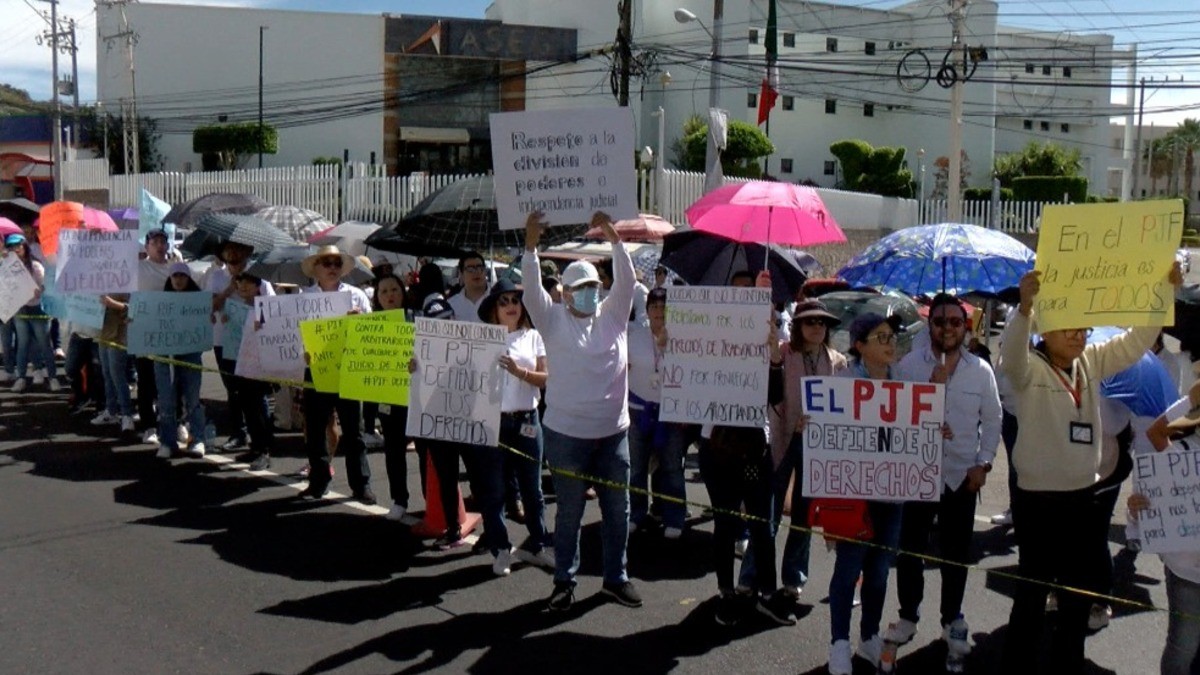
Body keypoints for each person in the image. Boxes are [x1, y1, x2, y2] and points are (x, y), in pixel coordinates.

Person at [999, 265, 1181, 674]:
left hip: (1083, 497)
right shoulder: (1027, 367)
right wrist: (1024, 307)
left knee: (1077, 599)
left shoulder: (1090, 362)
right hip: (1037, 501)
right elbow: (1011, 355)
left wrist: (1161, 295)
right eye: (1070, 329)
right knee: (1031, 596)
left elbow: (1135, 344)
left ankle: (1068, 664)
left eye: (1083, 328)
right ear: (1045, 330)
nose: (1080, 335)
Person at [521, 210, 642, 611]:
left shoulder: (613, 316)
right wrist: (531, 246)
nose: (590, 292)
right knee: (569, 513)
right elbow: (530, 291)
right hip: (566, 436)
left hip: (614, 435)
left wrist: (614, 237)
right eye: (581, 288)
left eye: (593, 285)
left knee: (617, 511)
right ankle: (564, 582)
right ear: (566, 293)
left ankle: (616, 578)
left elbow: (626, 280)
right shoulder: (551, 319)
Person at [887, 293, 1002, 663]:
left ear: (965, 327)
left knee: (956, 555)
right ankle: (908, 615)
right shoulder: (907, 367)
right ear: (930, 325)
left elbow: (994, 420)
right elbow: (896, 420)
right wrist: (931, 391)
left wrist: (982, 465)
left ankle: (951, 617)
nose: (948, 328)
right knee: (910, 552)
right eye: (940, 322)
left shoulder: (980, 370)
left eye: (955, 321)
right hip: (918, 475)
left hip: (960, 478)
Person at [741, 299, 848, 606]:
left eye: (822, 322)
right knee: (768, 515)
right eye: (811, 321)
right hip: (782, 439)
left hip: (817, 446)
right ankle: (751, 576)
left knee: (804, 516)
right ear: (798, 325)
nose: (817, 327)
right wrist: (773, 352)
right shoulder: (784, 353)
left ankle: (793, 577)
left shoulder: (838, 361)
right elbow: (769, 390)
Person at [825, 313, 909, 675]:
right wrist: (812, 424)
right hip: (854, 494)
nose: (890, 343)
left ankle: (869, 636)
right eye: (880, 337)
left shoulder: (906, 384)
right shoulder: (842, 382)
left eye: (891, 336)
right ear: (859, 346)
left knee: (878, 573)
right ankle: (839, 644)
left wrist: (936, 428)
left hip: (892, 497)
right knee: (848, 570)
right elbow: (827, 436)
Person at [476, 278, 555, 574]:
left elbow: (544, 379)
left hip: (527, 421)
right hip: (493, 422)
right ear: (493, 309)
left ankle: (539, 543)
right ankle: (500, 549)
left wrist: (519, 371)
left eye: (515, 300)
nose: (511, 306)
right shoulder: (482, 338)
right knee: (494, 491)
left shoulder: (532, 337)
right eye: (503, 301)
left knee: (532, 489)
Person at [1128, 380, 1200, 675]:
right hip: (1187, 574)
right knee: (1183, 647)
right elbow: (1149, 511)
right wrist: (1137, 509)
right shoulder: (1179, 455)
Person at [297, 245, 375, 503]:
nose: (332, 268)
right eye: (326, 263)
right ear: (316, 268)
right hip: (316, 370)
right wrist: (302, 352)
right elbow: (292, 337)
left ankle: (361, 484)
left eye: (336, 263)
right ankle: (318, 481)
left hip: (348, 370)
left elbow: (372, 334)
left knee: (354, 431)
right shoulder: (304, 297)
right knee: (316, 430)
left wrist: (359, 322)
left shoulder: (357, 297)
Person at [627, 287, 689, 539]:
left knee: (672, 467)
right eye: (654, 307)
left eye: (664, 307)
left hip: (670, 413)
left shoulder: (684, 338)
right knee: (636, 467)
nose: (658, 312)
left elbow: (689, 373)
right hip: (638, 410)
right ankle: (636, 514)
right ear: (647, 310)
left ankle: (674, 516)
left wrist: (667, 347)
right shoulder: (635, 335)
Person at [207, 240, 270, 452]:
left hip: (253, 342)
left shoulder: (260, 277)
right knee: (233, 390)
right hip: (224, 341)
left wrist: (250, 297)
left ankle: (262, 441)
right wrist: (228, 290)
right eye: (228, 252)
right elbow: (209, 306)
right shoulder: (216, 277)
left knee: (256, 392)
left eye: (237, 252)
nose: (232, 256)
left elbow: (271, 308)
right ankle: (238, 433)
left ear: (246, 253)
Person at [152, 262, 209, 459]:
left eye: (182, 276)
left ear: (188, 278)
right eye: (174, 276)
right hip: (164, 356)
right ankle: (168, 442)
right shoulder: (158, 301)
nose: (178, 279)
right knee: (166, 400)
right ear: (170, 278)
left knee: (193, 399)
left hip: (190, 353)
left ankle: (198, 439)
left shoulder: (197, 302)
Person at [371, 272, 415, 521]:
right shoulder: (370, 324)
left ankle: (432, 500)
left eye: (394, 289)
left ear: (403, 292)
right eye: (384, 291)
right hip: (388, 395)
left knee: (426, 451)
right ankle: (400, 499)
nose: (389, 295)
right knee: (394, 450)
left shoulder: (415, 318)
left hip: (417, 395)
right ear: (377, 297)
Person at [223, 269, 276, 471]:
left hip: (259, 365)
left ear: (257, 286)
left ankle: (264, 449)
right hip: (242, 364)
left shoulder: (264, 307)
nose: (243, 286)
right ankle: (255, 447)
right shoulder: (238, 308)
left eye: (248, 282)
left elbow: (270, 331)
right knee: (246, 403)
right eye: (239, 282)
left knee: (259, 405)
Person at [4, 233, 59, 392]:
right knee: (22, 344)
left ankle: (53, 377)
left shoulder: (35, 265)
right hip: (20, 309)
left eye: (18, 245)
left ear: (25, 246)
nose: (16, 249)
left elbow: (45, 286)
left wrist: (39, 291)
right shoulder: (7, 266)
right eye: (12, 246)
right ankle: (21, 378)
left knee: (44, 344)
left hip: (38, 309)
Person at [136, 229, 173, 445]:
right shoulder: (139, 268)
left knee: (171, 381)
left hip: (171, 333)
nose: (159, 246)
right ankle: (149, 426)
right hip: (145, 332)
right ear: (147, 246)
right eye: (155, 242)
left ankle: (174, 423)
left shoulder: (176, 269)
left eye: (163, 242)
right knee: (146, 380)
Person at [447, 251, 489, 322]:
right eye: (470, 269)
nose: (476, 272)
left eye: (480, 267)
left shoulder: (498, 300)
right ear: (461, 274)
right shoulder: (451, 305)